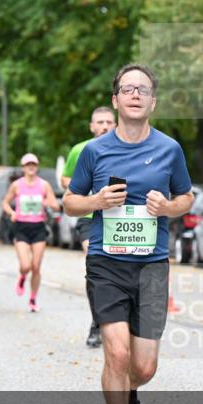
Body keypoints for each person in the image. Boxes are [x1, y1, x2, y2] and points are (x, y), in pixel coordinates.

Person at [63, 64, 194, 404]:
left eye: (143, 89)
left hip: (152, 267)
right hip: (106, 264)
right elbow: (69, 202)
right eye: (127, 88)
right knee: (116, 355)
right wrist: (98, 201)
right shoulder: (94, 151)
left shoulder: (170, 149)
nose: (135, 94)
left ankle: (130, 396)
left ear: (152, 100)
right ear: (116, 99)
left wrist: (167, 207)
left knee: (144, 366)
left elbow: (187, 198)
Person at [62, 106, 117, 347]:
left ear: (115, 124)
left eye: (109, 122)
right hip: (88, 216)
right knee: (95, 263)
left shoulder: (124, 149)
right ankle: (97, 323)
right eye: (100, 122)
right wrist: (86, 188)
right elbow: (66, 180)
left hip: (118, 219)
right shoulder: (80, 149)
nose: (105, 126)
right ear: (92, 126)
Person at [2, 154, 60, 313]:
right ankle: (22, 277)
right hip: (21, 227)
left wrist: (48, 203)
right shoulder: (16, 185)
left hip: (38, 228)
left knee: (36, 267)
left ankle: (33, 298)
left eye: (33, 164)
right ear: (23, 167)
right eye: (27, 164)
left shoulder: (44, 185)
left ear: (37, 166)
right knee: (25, 265)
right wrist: (11, 213)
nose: (31, 166)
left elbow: (56, 205)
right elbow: (5, 202)